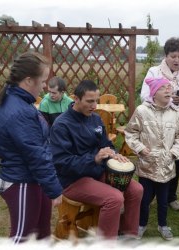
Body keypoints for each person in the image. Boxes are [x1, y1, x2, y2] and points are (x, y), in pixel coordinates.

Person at [50, 79, 143, 240]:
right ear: (76, 98)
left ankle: (129, 236)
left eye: (96, 101)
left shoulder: (95, 119)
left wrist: (113, 154)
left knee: (136, 190)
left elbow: (106, 144)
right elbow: (63, 163)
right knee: (114, 198)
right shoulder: (61, 125)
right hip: (72, 180)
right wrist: (94, 159)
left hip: (96, 172)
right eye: (89, 101)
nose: (94, 106)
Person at [0, 51, 63, 243]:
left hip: (32, 180)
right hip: (21, 182)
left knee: (42, 233)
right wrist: (54, 188)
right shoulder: (20, 111)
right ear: (28, 80)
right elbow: (35, 154)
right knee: (21, 239)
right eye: (42, 82)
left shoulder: (19, 102)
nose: (44, 87)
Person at [140, 37, 179, 211]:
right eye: (173, 56)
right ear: (166, 55)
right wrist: (166, 100)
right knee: (154, 158)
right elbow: (144, 96)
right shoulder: (154, 72)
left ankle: (170, 197)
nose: (177, 60)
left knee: (176, 160)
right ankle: (150, 195)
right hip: (156, 124)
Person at [126, 77, 179, 240]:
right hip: (147, 165)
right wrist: (140, 148)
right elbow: (131, 133)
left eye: (170, 87)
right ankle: (141, 224)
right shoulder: (141, 111)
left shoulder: (176, 113)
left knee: (163, 200)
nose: (169, 90)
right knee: (144, 199)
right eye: (164, 88)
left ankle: (163, 225)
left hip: (166, 165)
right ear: (154, 93)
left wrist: (174, 152)